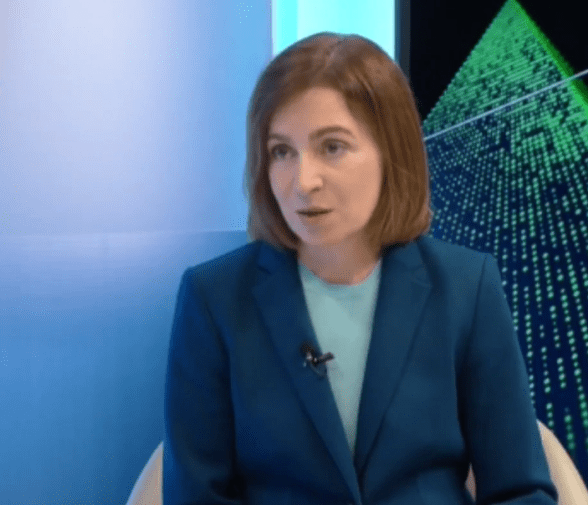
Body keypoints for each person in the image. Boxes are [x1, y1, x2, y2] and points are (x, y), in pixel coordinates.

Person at [163, 31, 558, 505]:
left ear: (391, 152)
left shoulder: (465, 288)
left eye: (332, 147)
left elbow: (520, 490)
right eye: (282, 151)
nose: (303, 181)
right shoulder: (213, 298)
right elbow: (196, 496)